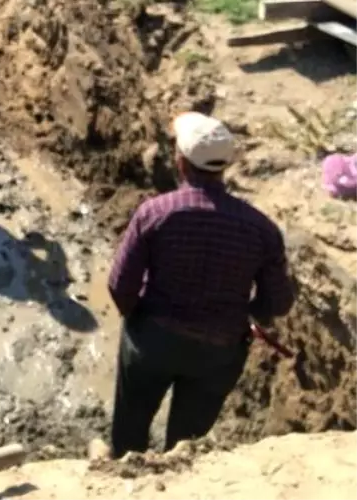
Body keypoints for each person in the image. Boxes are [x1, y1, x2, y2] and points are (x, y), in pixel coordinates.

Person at [106, 112, 293, 457]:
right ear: (225, 167)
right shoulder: (262, 229)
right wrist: (247, 315)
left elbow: (120, 285)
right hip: (217, 352)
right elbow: (278, 303)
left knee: (129, 430)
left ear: (180, 162)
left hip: (152, 341)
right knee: (186, 445)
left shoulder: (155, 213)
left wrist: (138, 321)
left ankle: (123, 471)